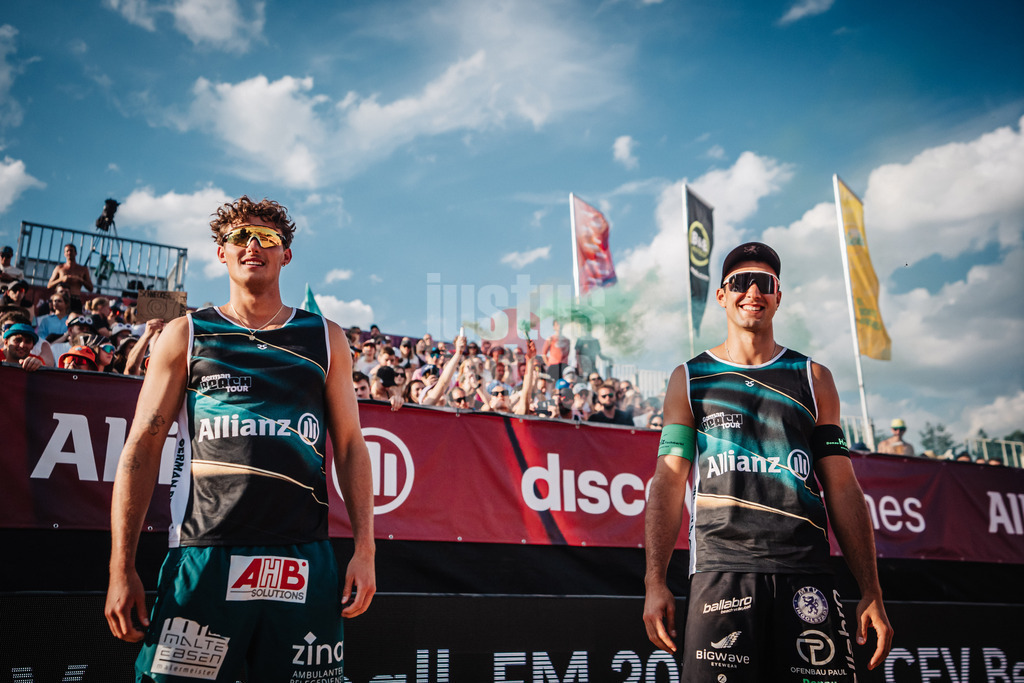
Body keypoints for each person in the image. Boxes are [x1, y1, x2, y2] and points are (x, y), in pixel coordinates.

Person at [104, 196, 376, 683]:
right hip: (205, 553)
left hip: (302, 558)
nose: (253, 245)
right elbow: (142, 447)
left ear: (285, 254)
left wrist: (366, 550)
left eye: (267, 238)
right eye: (239, 237)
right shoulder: (186, 334)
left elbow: (352, 447)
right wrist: (120, 568)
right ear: (221, 252)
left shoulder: (326, 338)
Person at [643, 242, 892, 681]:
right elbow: (667, 483)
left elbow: (842, 487)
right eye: (741, 281)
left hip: (807, 574)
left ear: (779, 296)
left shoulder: (814, 378)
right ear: (722, 295)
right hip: (721, 572)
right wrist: (654, 582)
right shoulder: (689, 379)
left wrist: (871, 589)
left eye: (765, 282)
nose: (753, 291)